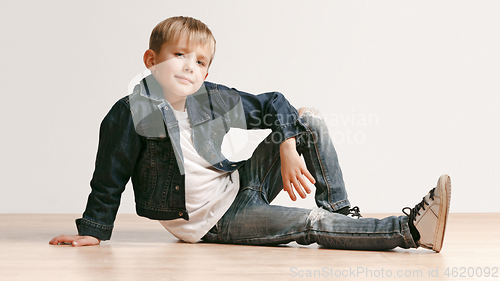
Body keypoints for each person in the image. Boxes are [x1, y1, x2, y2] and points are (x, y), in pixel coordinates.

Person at [50, 16, 451, 252]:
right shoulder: (132, 113)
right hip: (213, 221)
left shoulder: (210, 98)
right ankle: (411, 230)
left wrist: (288, 148)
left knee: (306, 117)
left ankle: (342, 214)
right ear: (151, 61)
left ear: (207, 73)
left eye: (200, 61)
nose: (190, 66)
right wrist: (94, 232)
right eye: (179, 55)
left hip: (239, 184)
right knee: (308, 222)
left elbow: (275, 102)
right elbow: (109, 177)